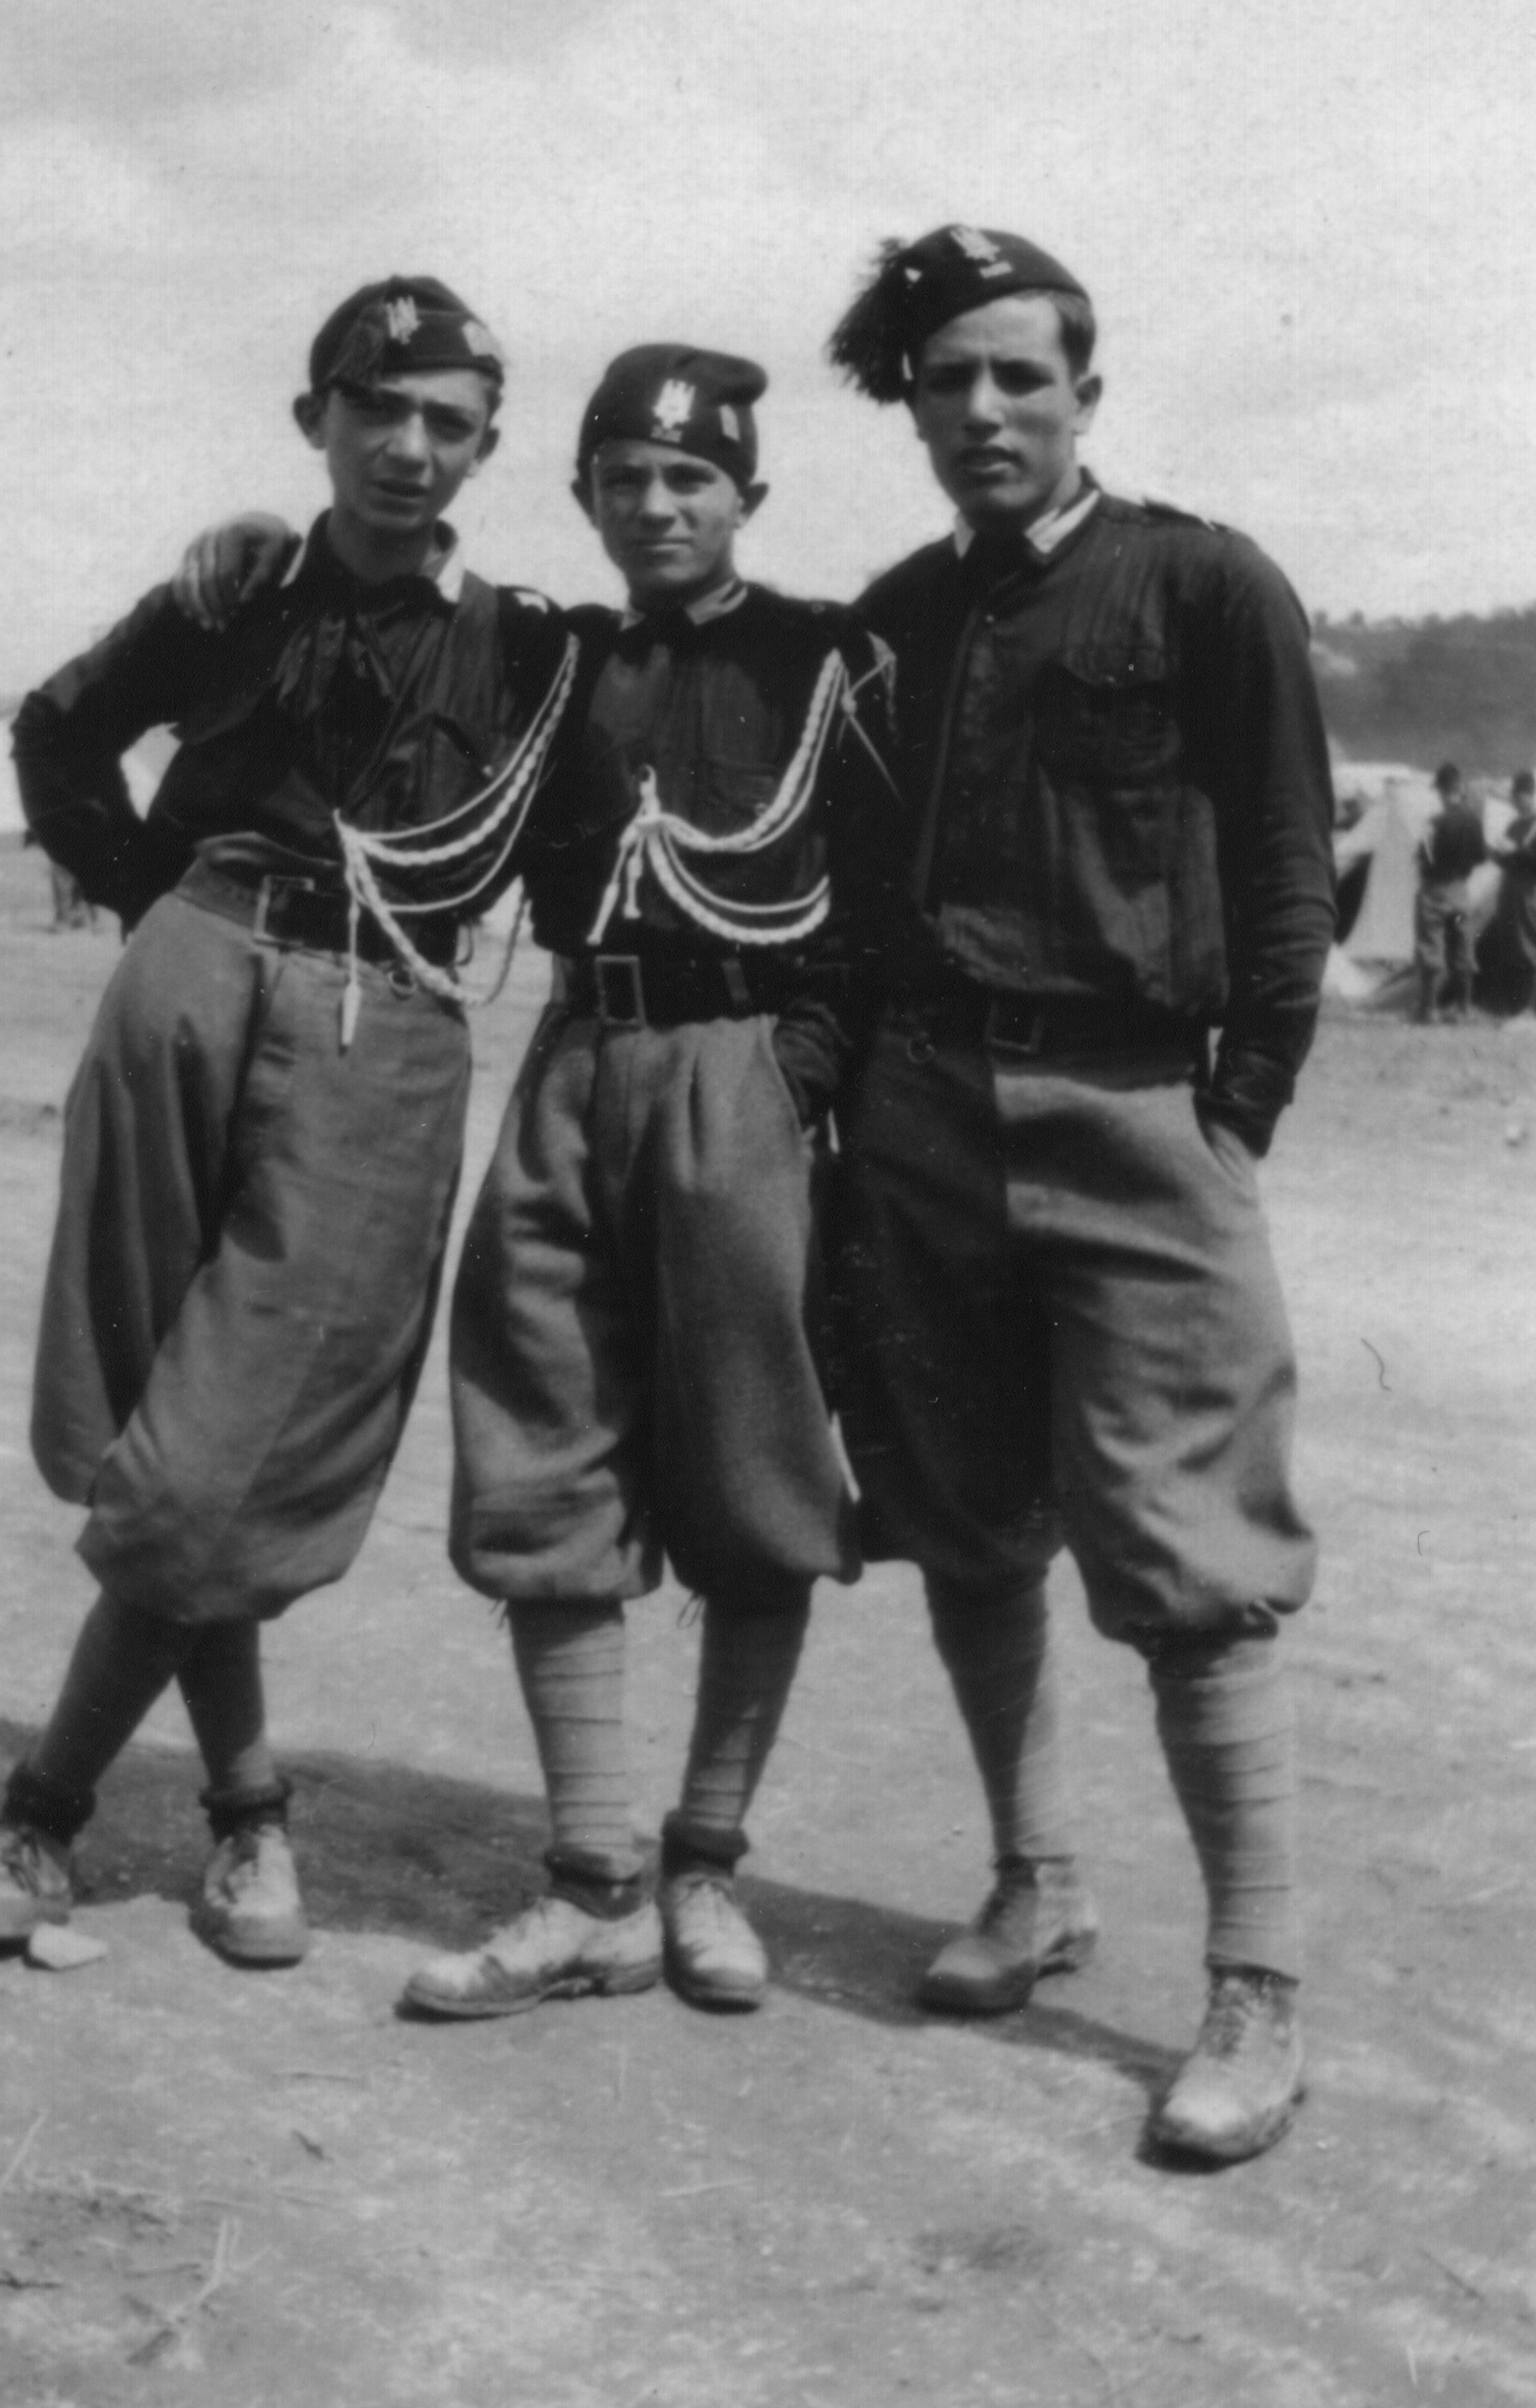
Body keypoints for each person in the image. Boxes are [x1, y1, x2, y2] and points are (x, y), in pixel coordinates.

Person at [0, 276, 579, 1967]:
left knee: (224, 1448)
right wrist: (150, 898)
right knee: (154, 1407)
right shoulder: (230, 594)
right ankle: (242, 1821)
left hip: (386, 1021)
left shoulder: (534, 647)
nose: (408, 445)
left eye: (447, 422)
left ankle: (53, 1803)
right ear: (317, 419)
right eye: (376, 408)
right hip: (194, 970)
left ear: (486, 449)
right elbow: (56, 729)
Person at [826, 226, 1335, 2163]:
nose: (982, 411)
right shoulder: (894, 616)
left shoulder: (1201, 583)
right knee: (967, 1520)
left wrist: (1238, 1109)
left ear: (1084, 395)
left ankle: (1257, 1984)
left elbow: (1286, 863)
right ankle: (1034, 1879)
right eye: (946, 381)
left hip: (1137, 1105)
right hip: (928, 1114)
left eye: (1018, 377)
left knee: (1193, 1560)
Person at [395, 347, 904, 2018]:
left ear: (746, 494)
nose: (656, 505)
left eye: (691, 479)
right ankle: (592, 1881)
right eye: (624, 478)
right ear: (585, 496)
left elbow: (878, 904)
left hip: (739, 1069)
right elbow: (389, 603)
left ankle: (704, 1860)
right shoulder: (553, 661)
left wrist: (793, 1079)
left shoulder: (828, 660)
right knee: (538, 1442)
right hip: (574, 1060)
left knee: (754, 1468)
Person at [1414, 763, 1489, 1022]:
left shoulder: (1434, 823)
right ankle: (1463, 1009)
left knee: (1431, 946)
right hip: (1460, 890)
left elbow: (1424, 857)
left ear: (1443, 791)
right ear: (1459, 789)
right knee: (1463, 946)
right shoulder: (1474, 822)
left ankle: (1429, 1010)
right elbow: (1481, 857)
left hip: (1434, 890)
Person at [1489, 768, 1536, 1014]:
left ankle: (1530, 1006)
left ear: (1529, 795)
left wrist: (1516, 851)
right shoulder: (1515, 824)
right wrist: (1497, 854)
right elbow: (1507, 859)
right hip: (1510, 890)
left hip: (1529, 891)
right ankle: (1514, 1005)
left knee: (1529, 947)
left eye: (1518, 797)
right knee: (1512, 946)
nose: (1515, 803)